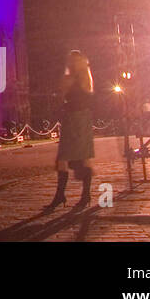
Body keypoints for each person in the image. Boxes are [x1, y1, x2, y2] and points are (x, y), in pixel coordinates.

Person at [45, 50, 95, 210]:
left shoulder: (70, 79)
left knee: (65, 158)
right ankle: (83, 195)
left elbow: (61, 94)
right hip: (82, 118)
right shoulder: (86, 79)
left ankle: (63, 195)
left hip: (74, 119)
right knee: (81, 157)